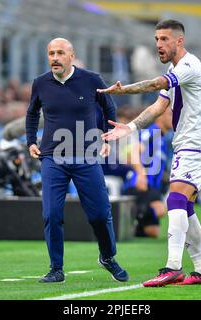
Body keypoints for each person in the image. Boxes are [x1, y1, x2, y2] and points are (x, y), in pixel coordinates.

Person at [98, 20, 201, 286]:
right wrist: (129, 127)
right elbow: (158, 106)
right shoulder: (176, 70)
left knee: (174, 199)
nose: (159, 45)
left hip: (196, 141)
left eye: (164, 39)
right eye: (156, 39)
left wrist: (124, 90)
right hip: (188, 142)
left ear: (179, 41)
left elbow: (155, 84)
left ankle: (172, 266)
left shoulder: (188, 66)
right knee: (185, 206)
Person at [26, 38, 128, 283]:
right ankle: (56, 268)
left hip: (86, 156)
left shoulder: (91, 80)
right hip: (52, 157)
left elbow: (109, 109)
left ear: (71, 56)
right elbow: (32, 113)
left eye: (60, 53)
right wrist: (30, 141)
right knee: (51, 213)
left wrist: (106, 139)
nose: (54, 57)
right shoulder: (40, 83)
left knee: (100, 215)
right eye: (51, 53)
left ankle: (107, 257)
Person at [122, 107, 172, 238]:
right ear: (160, 116)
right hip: (139, 185)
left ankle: (132, 226)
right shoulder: (152, 132)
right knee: (160, 209)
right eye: (170, 114)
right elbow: (133, 152)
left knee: (152, 232)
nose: (173, 118)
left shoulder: (163, 139)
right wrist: (141, 174)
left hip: (152, 188)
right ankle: (135, 213)